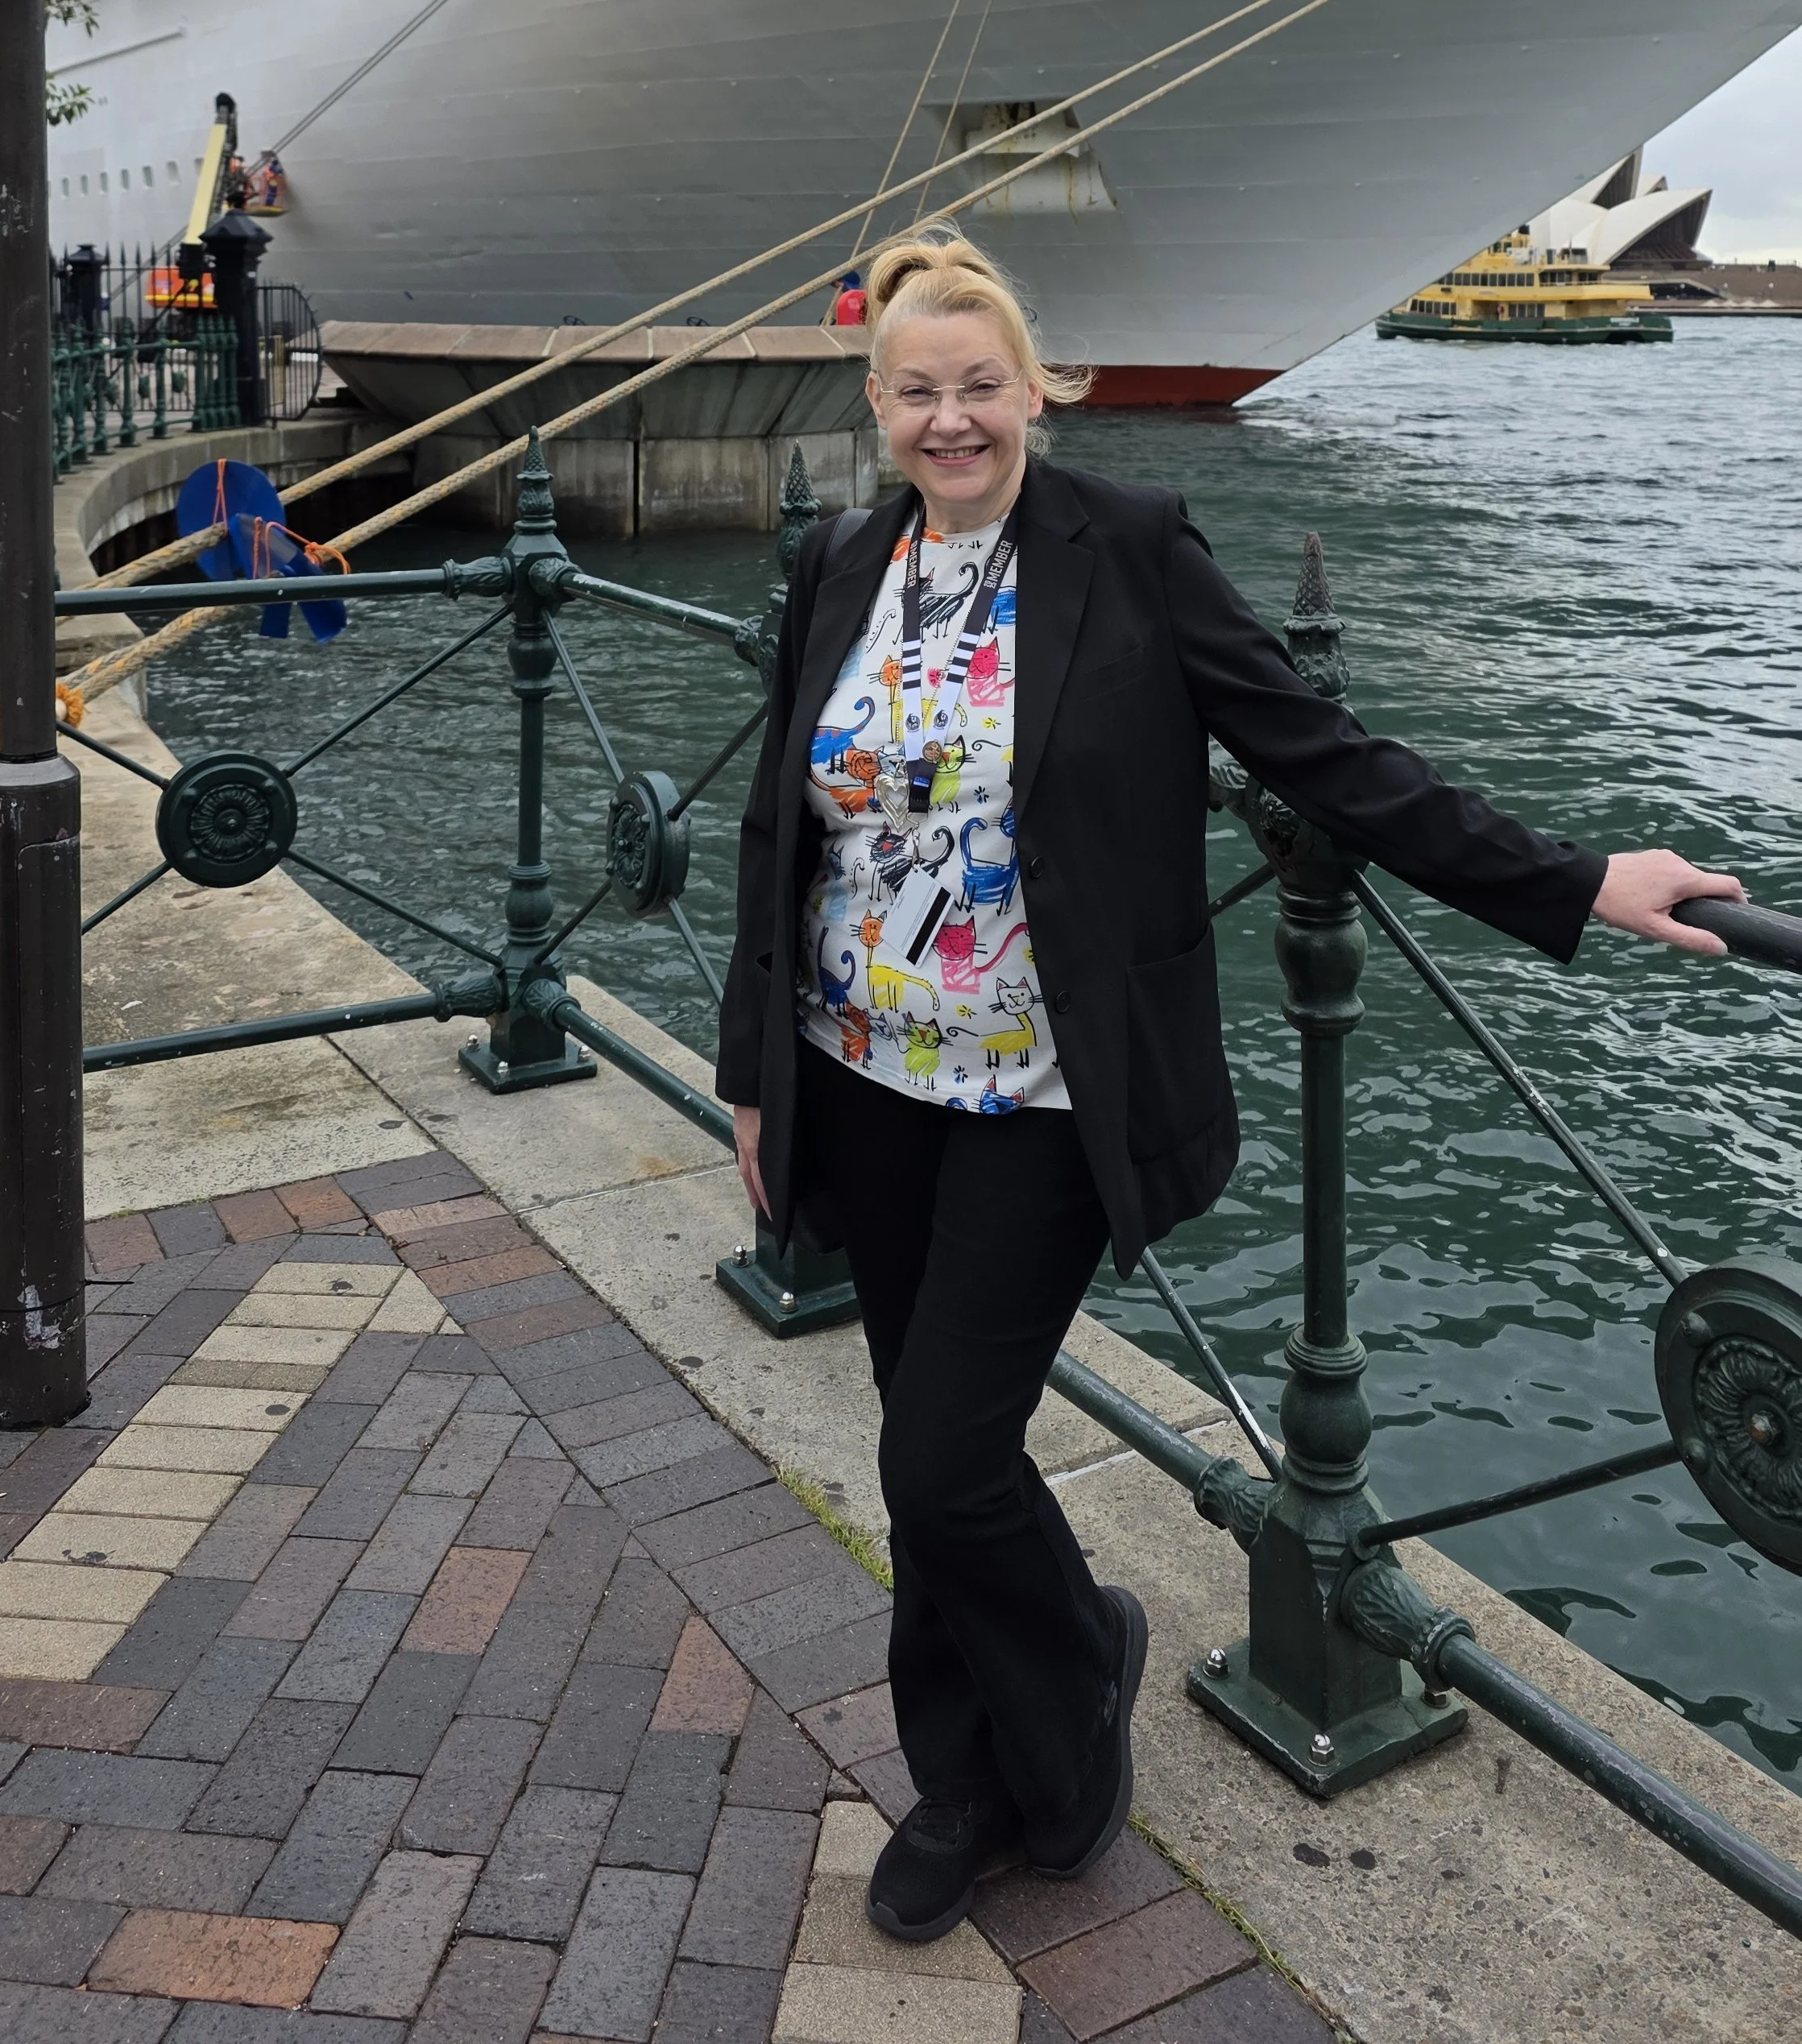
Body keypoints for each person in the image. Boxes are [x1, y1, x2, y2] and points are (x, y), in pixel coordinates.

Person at [717, 231, 1741, 1945]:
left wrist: (1571, 879)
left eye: (982, 385)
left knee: (942, 1453)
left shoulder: (1125, 546)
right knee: (922, 1462)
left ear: (1035, 385)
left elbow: (1320, 753)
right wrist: (756, 1067)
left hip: (1049, 1088)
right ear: (876, 403)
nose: (952, 418)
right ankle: (966, 1772)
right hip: (863, 1075)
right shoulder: (838, 560)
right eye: (919, 390)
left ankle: (1074, 1687)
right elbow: (778, 834)